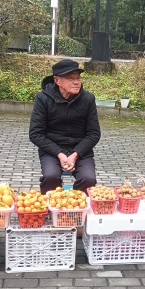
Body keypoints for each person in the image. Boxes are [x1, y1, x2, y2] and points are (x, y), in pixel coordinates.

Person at [29, 59, 101, 194]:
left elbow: (94, 133)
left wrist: (75, 155)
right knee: (51, 177)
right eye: (71, 78)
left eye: (78, 78)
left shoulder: (88, 99)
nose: (76, 82)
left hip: (80, 150)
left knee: (88, 179)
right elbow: (35, 134)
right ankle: (51, 204)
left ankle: (76, 203)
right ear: (57, 80)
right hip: (52, 150)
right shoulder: (43, 98)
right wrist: (60, 154)